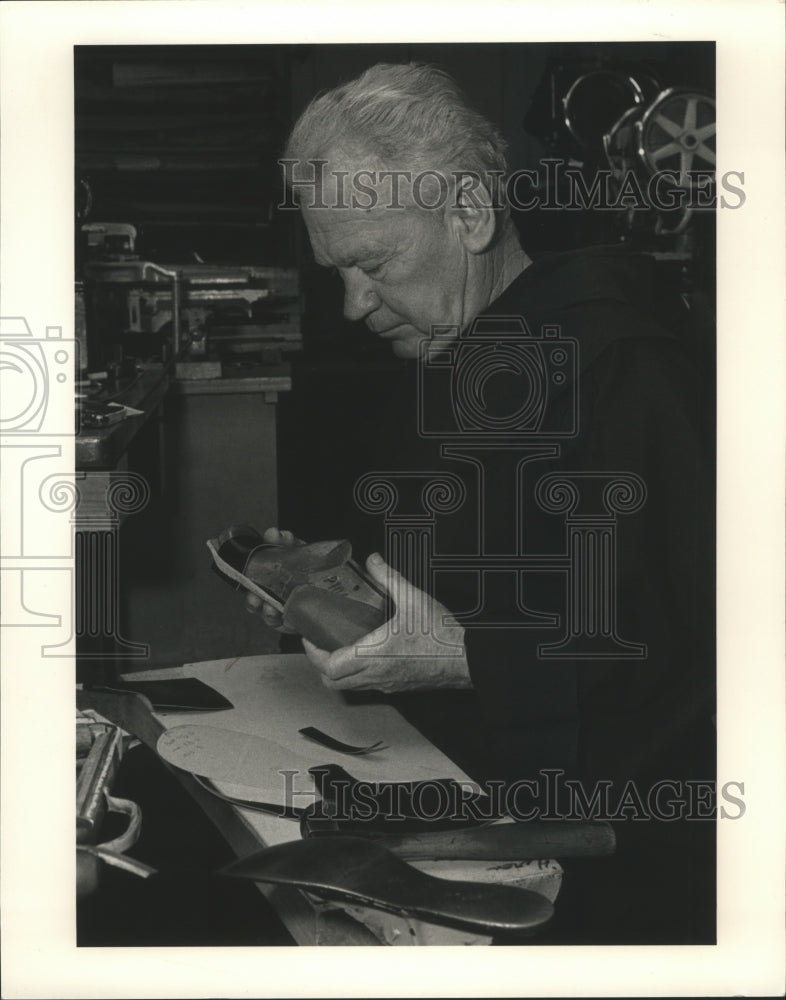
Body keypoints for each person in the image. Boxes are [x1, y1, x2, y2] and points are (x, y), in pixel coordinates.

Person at [248, 62, 716, 944]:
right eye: (335, 270)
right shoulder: (453, 351)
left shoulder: (623, 366)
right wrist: (343, 593)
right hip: (454, 796)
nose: (353, 305)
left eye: (374, 263)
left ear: (469, 212)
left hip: (612, 873)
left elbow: (705, 653)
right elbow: (489, 576)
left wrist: (465, 657)